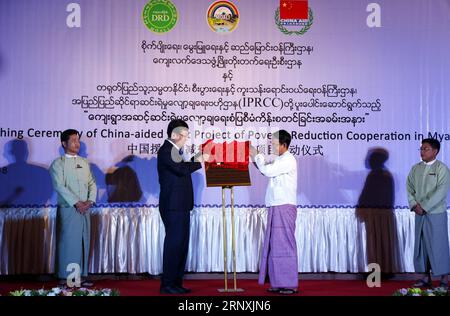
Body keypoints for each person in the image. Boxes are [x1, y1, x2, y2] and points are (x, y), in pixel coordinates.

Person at [157, 119, 207, 294]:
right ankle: (168, 285)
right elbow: (181, 170)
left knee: (181, 246)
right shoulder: (166, 150)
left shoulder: (175, 151)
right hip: (173, 206)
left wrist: (196, 157)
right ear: (175, 134)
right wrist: (200, 159)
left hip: (181, 206)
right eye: (184, 135)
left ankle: (176, 283)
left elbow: (182, 168)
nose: (186, 138)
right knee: (174, 245)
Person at [250, 130, 298, 294]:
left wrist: (257, 156)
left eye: (275, 144)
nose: (272, 146)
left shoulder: (288, 159)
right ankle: (278, 282)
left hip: (284, 206)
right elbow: (265, 168)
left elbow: (267, 171)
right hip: (276, 205)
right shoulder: (280, 159)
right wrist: (255, 156)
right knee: (275, 246)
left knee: (284, 244)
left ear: (284, 144)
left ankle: (289, 284)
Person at [49, 129, 97, 287]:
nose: (77, 143)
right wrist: (77, 203)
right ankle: (67, 277)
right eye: (74, 140)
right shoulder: (58, 163)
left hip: (85, 209)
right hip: (69, 208)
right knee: (69, 243)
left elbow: (92, 183)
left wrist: (89, 201)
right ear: (64, 143)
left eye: (78, 140)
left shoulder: (84, 162)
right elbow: (59, 186)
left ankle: (81, 276)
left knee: (84, 241)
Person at [407, 138, 450, 289]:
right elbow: (409, 189)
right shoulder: (415, 168)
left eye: (425, 149)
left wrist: (424, 206)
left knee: (439, 246)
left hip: (435, 213)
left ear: (435, 151)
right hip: (419, 214)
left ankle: (445, 279)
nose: (422, 151)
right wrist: (414, 205)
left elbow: (441, 192)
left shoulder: (441, 169)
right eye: (421, 149)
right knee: (421, 246)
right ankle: (425, 278)